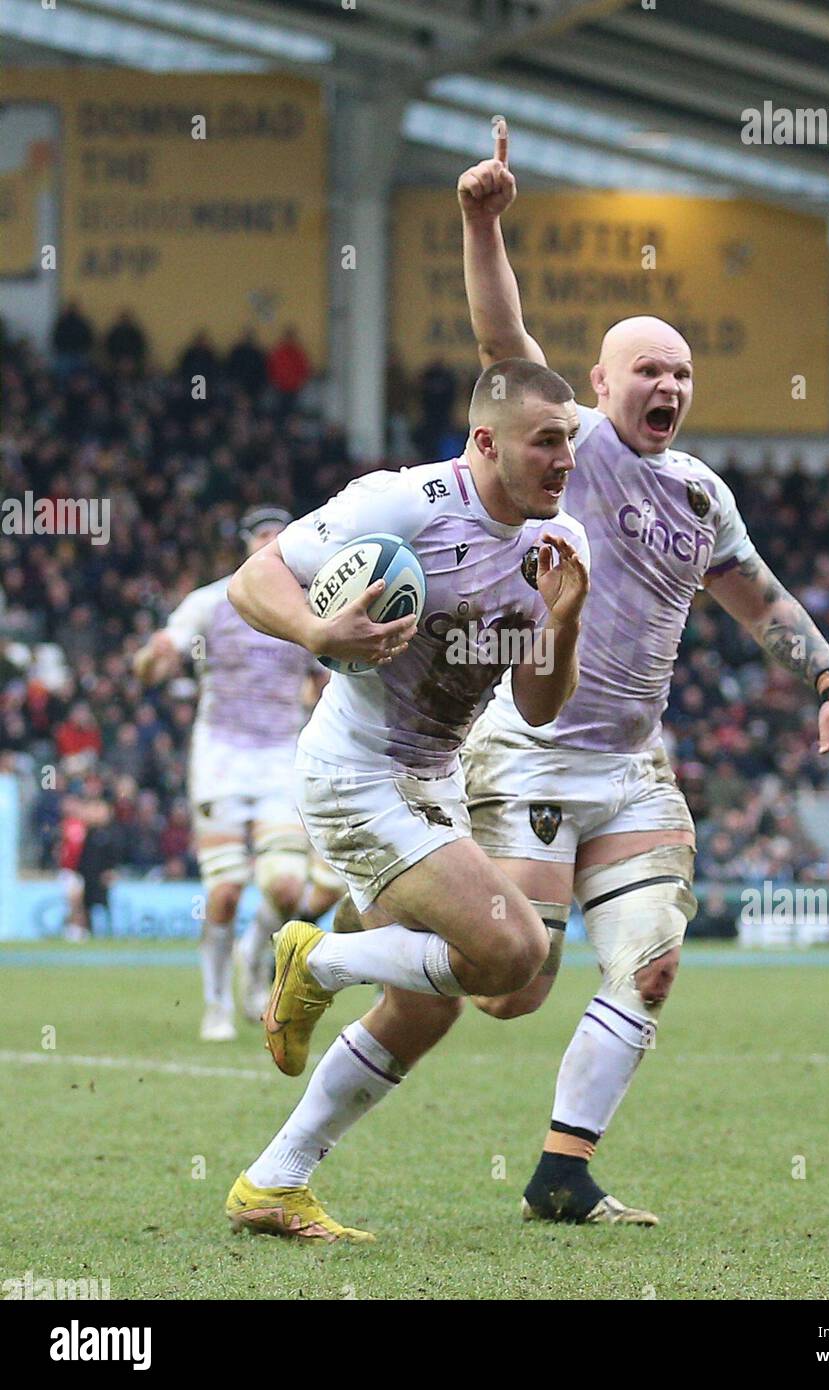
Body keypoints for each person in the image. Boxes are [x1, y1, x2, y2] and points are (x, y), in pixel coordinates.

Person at [450, 120, 829, 1224]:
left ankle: (560, 1169)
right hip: (531, 742)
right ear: (600, 382)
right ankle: (341, 955)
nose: (668, 383)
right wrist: (481, 220)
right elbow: (502, 339)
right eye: (648, 367)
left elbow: (761, 602)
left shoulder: (698, 493)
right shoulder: (573, 445)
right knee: (512, 982)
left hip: (632, 764)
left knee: (648, 963)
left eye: (681, 371)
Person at [223, 357, 589, 1243]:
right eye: (547, 442)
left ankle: (274, 1183)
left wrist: (564, 618)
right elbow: (252, 581)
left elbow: (540, 705)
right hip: (355, 775)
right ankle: (319, 964)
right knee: (511, 952)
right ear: (486, 442)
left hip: (434, 779)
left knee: (432, 1002)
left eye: (570, 442)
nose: (565, 461)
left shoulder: (558, 542)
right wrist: (315, 626)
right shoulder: (403, 504)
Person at [133, 506, 346, 1041]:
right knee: (225, 891)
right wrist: (152, 659)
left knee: (286, 887)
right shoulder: (212, 601)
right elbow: (157, 660)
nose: (272, 542)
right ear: (249, 545)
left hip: (280, 756)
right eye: (264, 535)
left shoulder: (309, 610)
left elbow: (327, 680)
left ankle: (254, 959)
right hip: (222, 757)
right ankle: (215, 1004)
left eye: (281, 535)